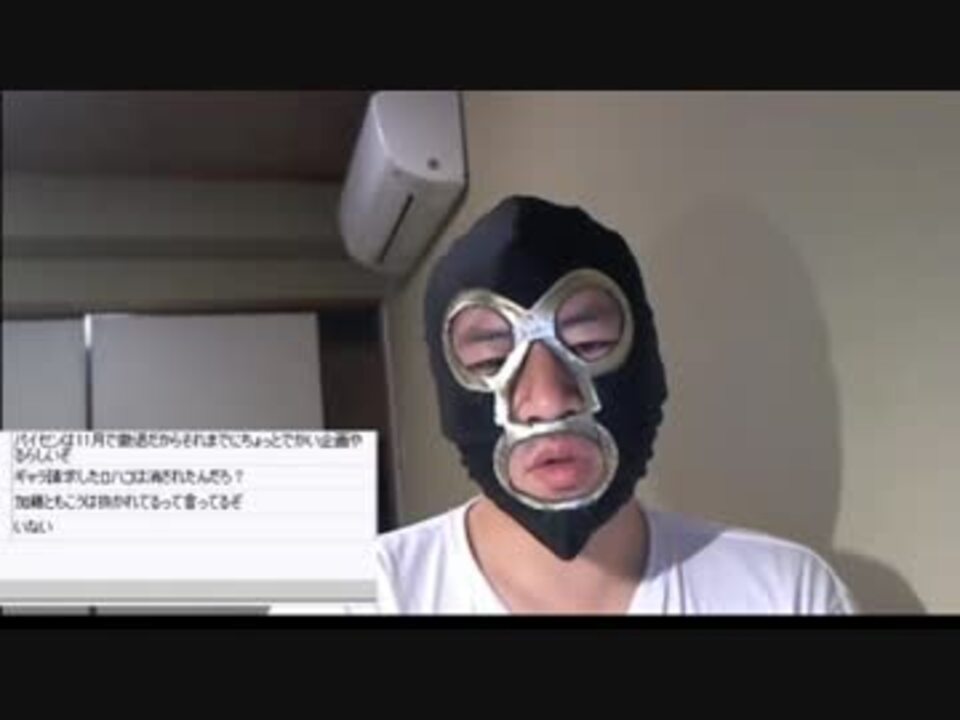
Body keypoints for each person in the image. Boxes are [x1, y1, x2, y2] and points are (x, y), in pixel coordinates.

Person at [376, 195, 856, 614]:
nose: (548, 402)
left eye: (589, 343)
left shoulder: (785, 594)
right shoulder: (365, 594)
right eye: (491, 360)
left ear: (647, 363)